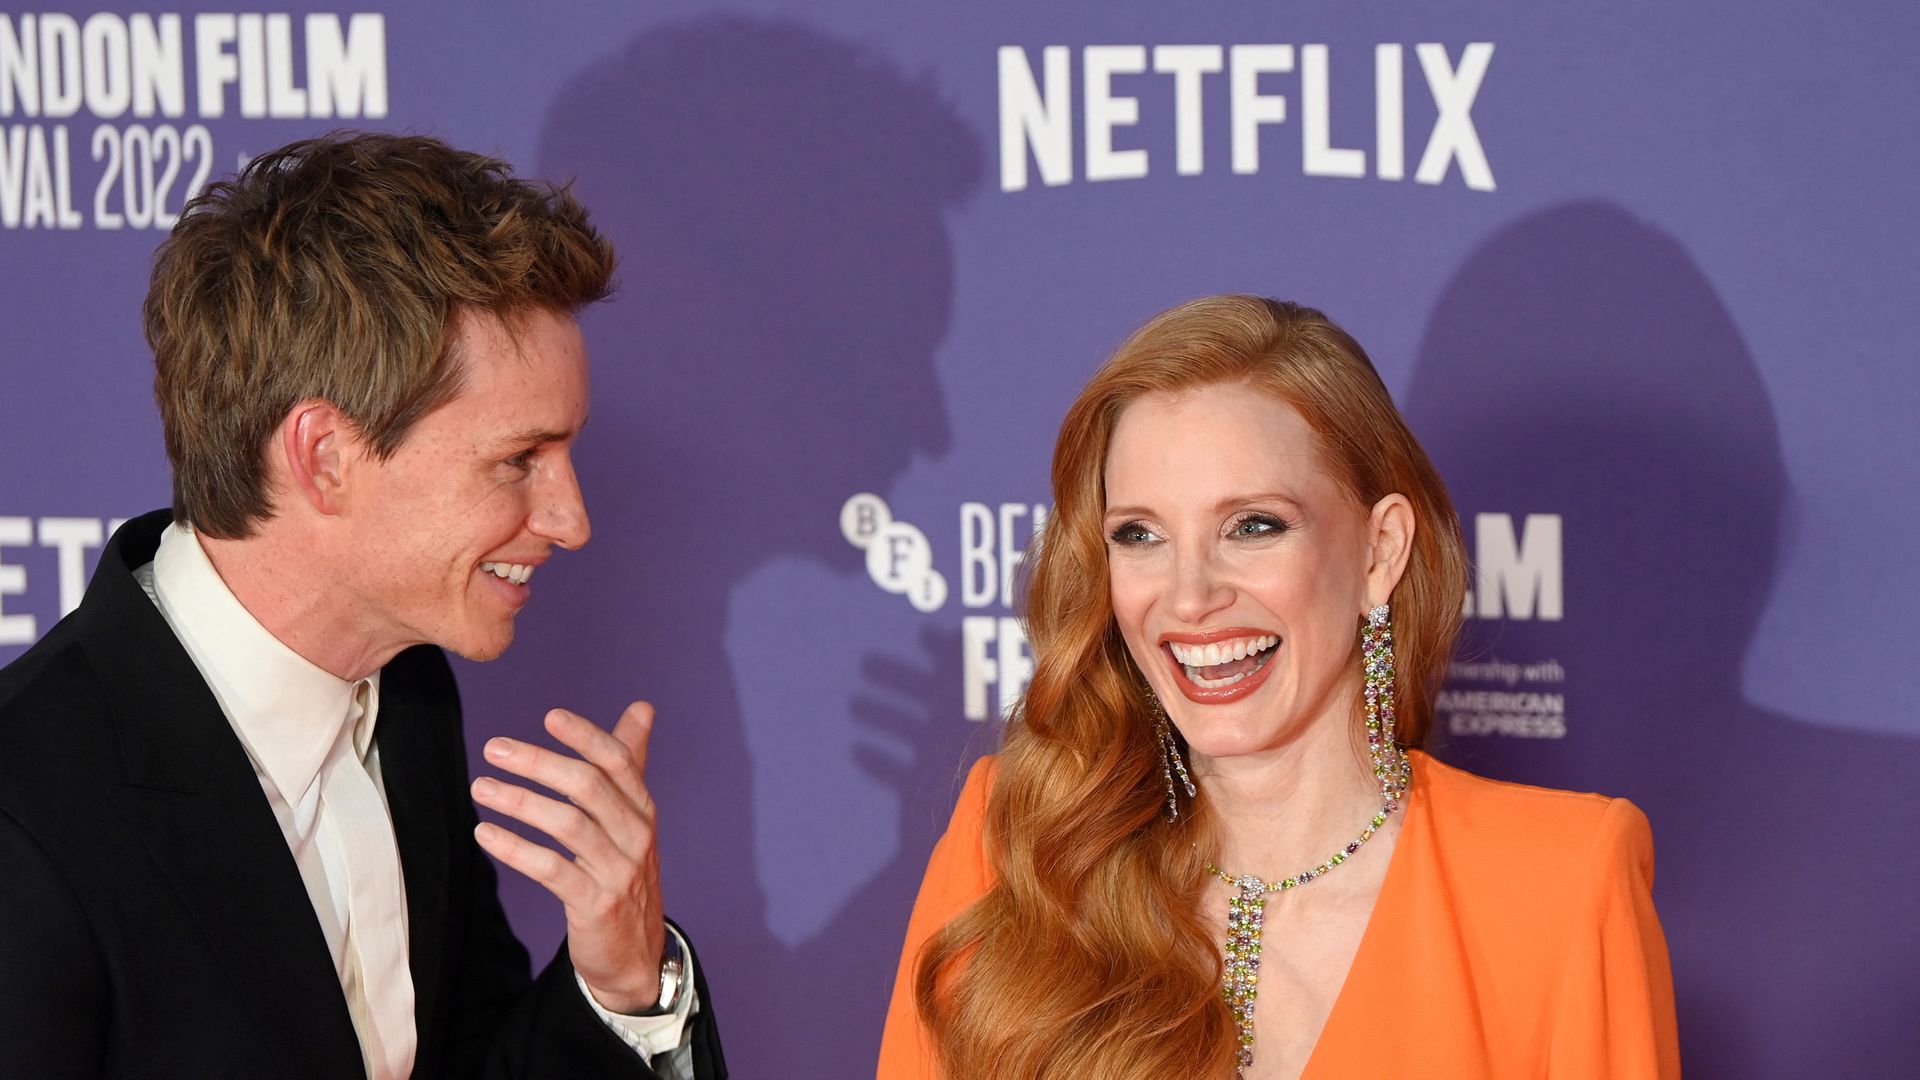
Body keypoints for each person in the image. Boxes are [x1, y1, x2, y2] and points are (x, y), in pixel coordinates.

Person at [0, 133, 725, 1079]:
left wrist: (624, 985)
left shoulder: (411, 697)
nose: (572, 519)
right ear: (325, 457)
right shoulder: (28, 819)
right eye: (519, 460)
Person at [877, 296, 1678, 1078]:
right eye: (1140, 534)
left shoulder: (1560, 885)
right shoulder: (1020, 851)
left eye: (1253, 526)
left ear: (1379, 551)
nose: (1188, 596)